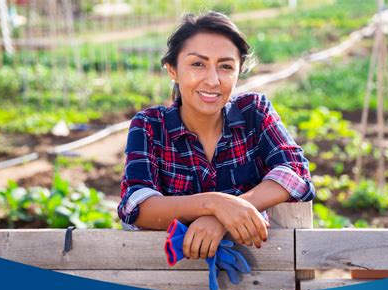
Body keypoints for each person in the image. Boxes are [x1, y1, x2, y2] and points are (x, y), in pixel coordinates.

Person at [118, 11, 314, 261]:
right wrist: (215, 204)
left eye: (225, 66)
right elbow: (138, 206)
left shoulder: (254, 111)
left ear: (239, 71)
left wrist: (223, 217)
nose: (212, 80)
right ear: (173, 70)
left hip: (263, 273)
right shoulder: (150, 125)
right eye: (197, 64)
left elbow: (295, 172)